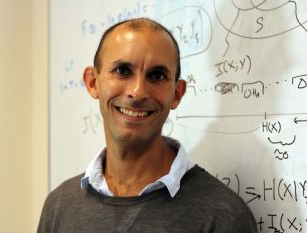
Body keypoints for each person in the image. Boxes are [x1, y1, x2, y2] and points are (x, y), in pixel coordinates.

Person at [38, 18, 258, 233]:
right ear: (93, 82)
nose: (138, 92)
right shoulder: (59, 207)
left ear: (177, 93)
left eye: (157, 75)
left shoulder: (222, 216)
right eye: (122, 71)